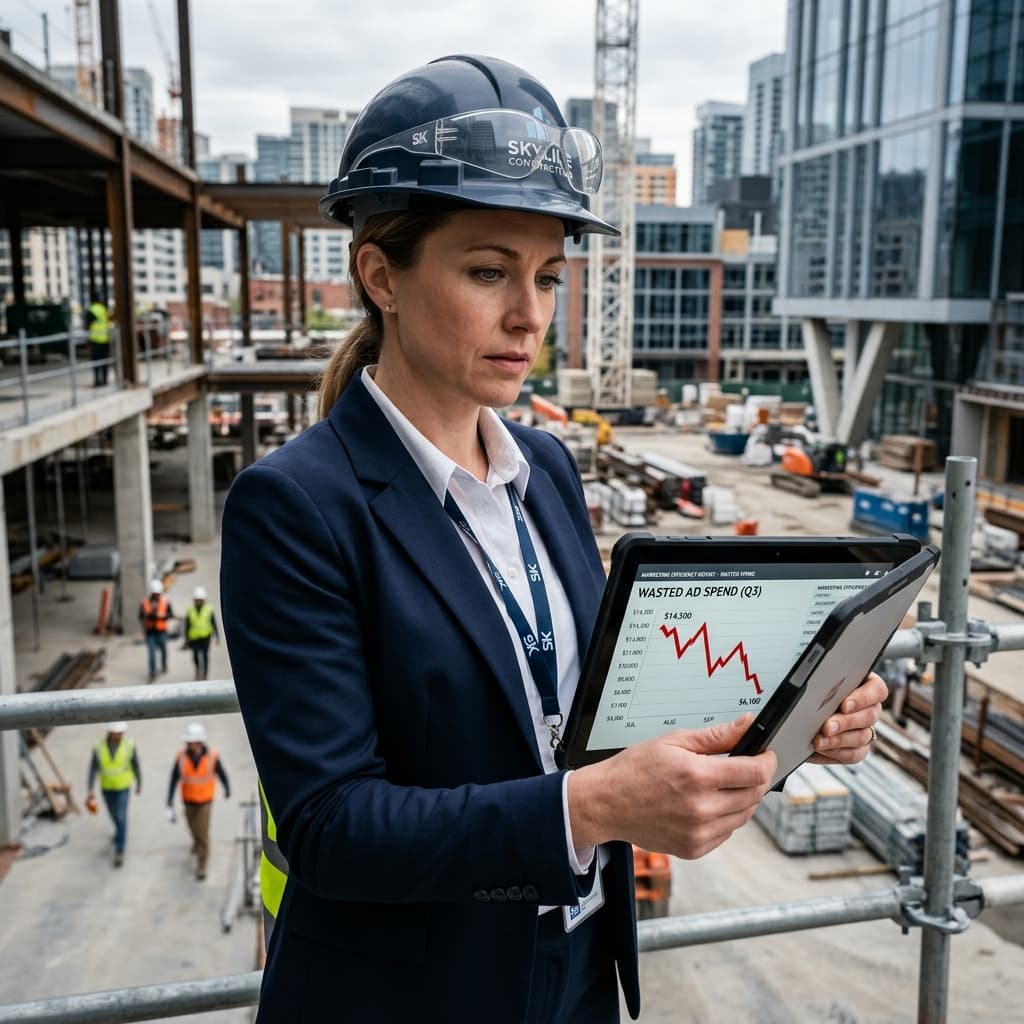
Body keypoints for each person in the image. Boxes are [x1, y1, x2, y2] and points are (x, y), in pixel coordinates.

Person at [220, 55, 886, 1024]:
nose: (531, 314)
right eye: (488, 270)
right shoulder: (295, 505)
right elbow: (330, 826)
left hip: (575, 968)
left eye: (545, 275)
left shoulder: (546, 467)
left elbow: (596, 705)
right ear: (381, 275)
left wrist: (792, 711)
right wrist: (589, 809)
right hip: (408, 994)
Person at [165, 722, 231, 880]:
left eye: (191, 741)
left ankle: (202, 864)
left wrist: (227, 788)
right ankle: (196, 842)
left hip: (205, 802)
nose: (188, 744)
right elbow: (174, 778)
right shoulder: (181, 756)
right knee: (192, 828)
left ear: (199, 741)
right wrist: (169, 802)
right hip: (188, 801)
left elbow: (221, 773)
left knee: (202, 834)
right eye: (187, 741)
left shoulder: (212, 756)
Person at [86, 722, 141, 867]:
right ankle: (119, 831)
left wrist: (139, 782)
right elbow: (93, 767)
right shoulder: (99, 746)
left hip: (123, 787)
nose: (120, 735)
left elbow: (136, 764)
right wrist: (90, 788)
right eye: (118, 732)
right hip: (107, 787)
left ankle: (120, 850)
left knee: (121, 815)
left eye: (122, 732)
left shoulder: (129, 745)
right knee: (113, 814)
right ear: (110, 732)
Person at [182, 585, 219, 680]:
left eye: (200, 599)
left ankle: (205, 674)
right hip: (194, 638)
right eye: (196, 599)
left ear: (204, 600)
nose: (198, 601)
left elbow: (213, 622)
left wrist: (217, 636)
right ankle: (198, 671)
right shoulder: (190, 610)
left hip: (205, 637)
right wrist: (186, 638)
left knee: (205, 656)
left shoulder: (209, 609)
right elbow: (187, 625)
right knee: (195, 657)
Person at [140, 578, 172, 682]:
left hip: (162, 632)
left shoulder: (165, 601)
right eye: (155, 594)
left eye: (158, 593)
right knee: (152, 655)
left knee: (164, 651)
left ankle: (164, 664)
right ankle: (152, 674)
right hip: (150, 633)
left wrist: (161, 616)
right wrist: (148, 616)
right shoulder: (145, 603)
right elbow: (140, 616)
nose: (157, 596)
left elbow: (170, 614)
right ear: (152, 593)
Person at [86, 292, 110, 387]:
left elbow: (87, 325)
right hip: (105, 338)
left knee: (96, 362)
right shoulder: (103, 309)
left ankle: (97, 381)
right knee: (104, 361)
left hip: (95, 340)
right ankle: (105, 380)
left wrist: (87, 339)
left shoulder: (91, 310)